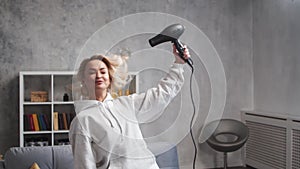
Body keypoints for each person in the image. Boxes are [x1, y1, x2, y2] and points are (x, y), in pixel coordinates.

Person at [69, 44, 191, 169]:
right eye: (92, 72)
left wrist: (179, 63)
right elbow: (84, 165)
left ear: (109, 78)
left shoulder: (128, 103)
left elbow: (161, 94)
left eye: (103, 71)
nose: (99, 76)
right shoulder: (82, 121)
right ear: (83, 80)